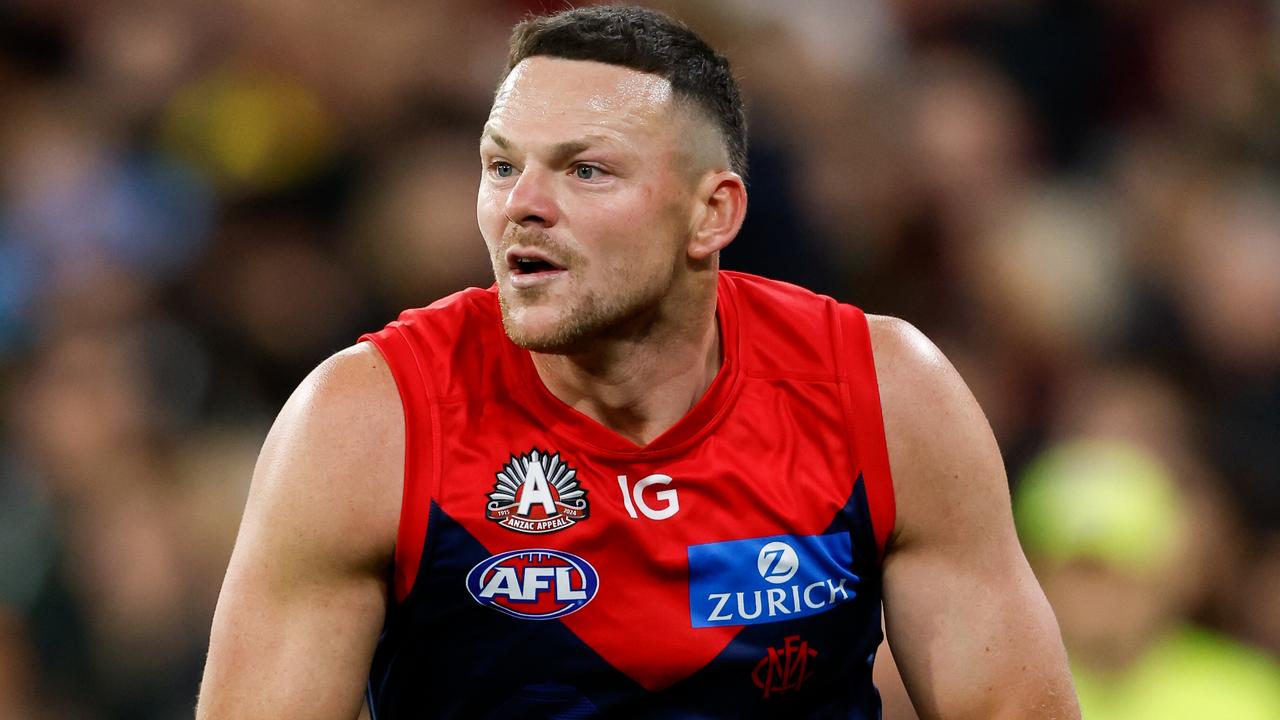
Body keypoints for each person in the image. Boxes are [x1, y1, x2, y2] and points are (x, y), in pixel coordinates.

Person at [196, 6, 1079, 718]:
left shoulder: (882, 395)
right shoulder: (368, 420)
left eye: (585, 171)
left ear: (712, 214)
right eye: (501, 167)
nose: (522, 207)